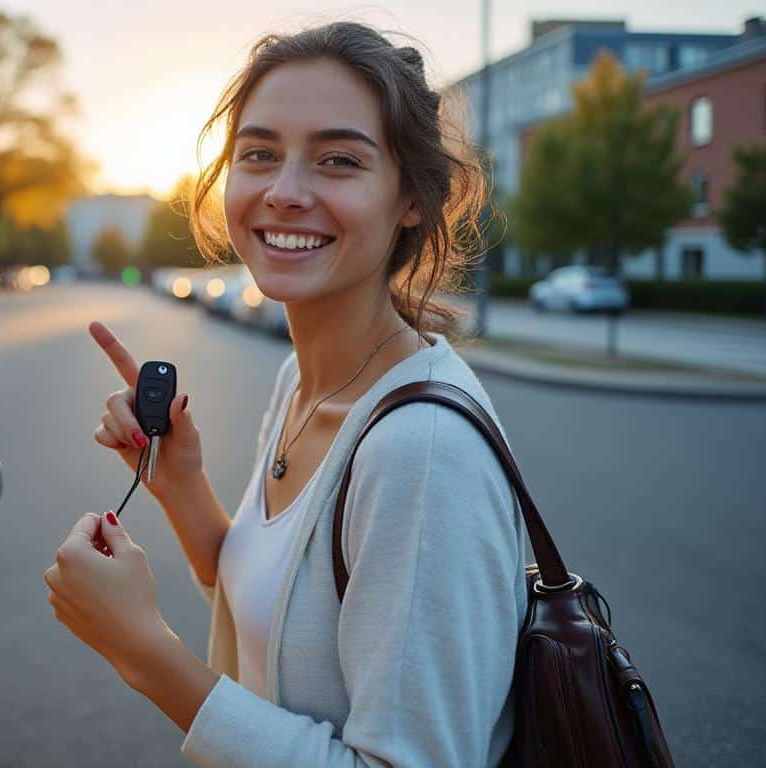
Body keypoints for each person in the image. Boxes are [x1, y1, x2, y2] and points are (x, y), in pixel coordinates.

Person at [43, 21, 528, 767]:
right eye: (260, 154)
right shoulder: (302, 380)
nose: (285, 191)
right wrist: (180, 486)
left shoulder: (420, 452)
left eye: (338, 160)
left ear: (411, 199)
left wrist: (145, 653)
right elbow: (282, 626)